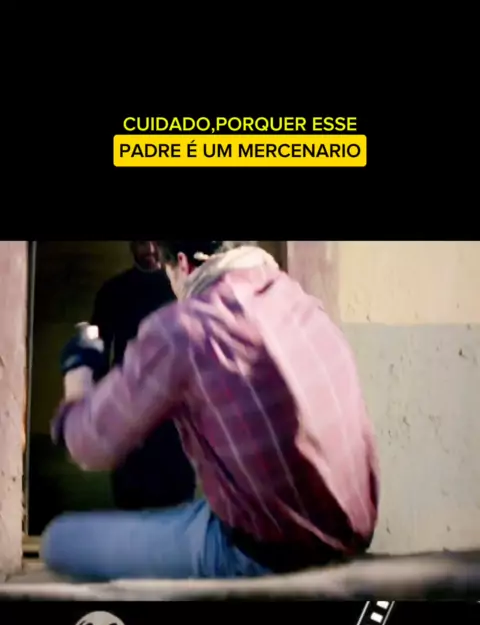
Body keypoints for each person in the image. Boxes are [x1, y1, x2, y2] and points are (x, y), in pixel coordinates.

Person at [41, 241, 379, 581]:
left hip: (263, 551)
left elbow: (88, 446)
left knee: (60, 541)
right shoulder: (300, 301)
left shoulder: (187, 325)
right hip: (350, 535)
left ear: (182, 264)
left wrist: (78, 368)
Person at [89, 240, 196, 509]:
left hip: (177, 415)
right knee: (131, 497)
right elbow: (97, 357)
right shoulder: (114, 292)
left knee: (177, 498)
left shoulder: (185, 289)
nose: (149, 249)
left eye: (155, 241)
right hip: (129, 412)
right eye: (141, 241)